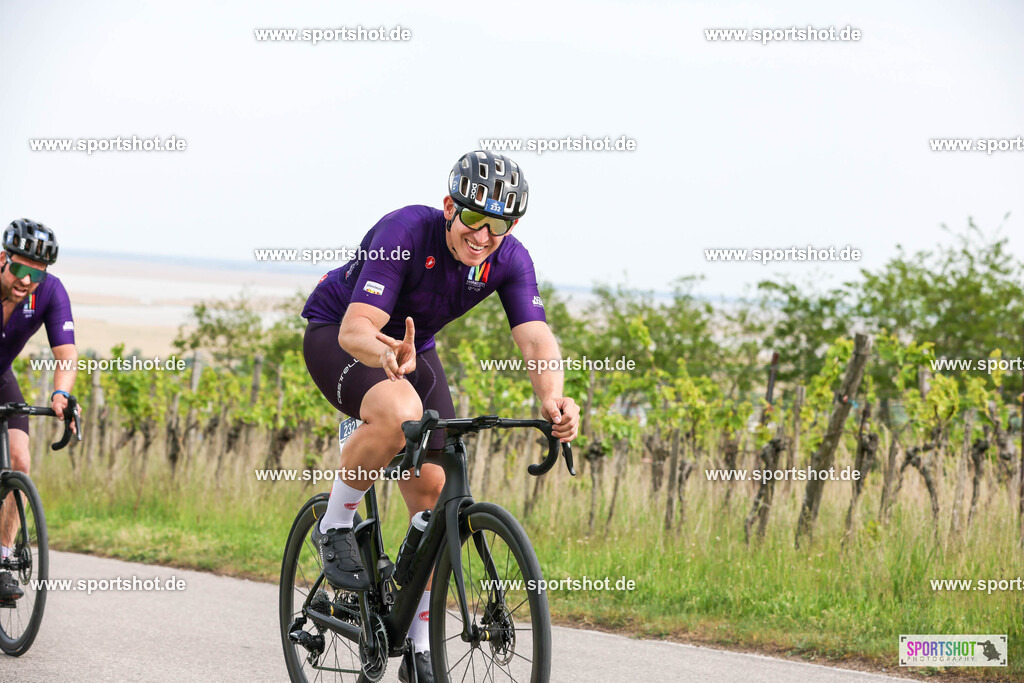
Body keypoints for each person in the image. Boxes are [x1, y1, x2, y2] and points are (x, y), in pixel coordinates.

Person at [301, 151, 580, 681]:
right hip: (341, 334)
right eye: (474, 218)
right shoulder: (404, 229)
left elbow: (536, 337)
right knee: (400, 409)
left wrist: (553, 398)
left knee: (434, 486)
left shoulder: (510, 259)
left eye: (498, 224)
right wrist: (381, 355)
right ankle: (336, 522)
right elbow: (355, 328)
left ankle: (418, 645)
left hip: (413, 348)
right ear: (450, 207)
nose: (483, 235)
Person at [0, 219, 77, 606]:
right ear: (2, 259)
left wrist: (61, 393)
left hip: (1, 377)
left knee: (20, 460)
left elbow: (66, 353)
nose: (27, 280)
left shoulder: (49, 292)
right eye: (20, 268)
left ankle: (2, 558)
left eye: (37, 273)